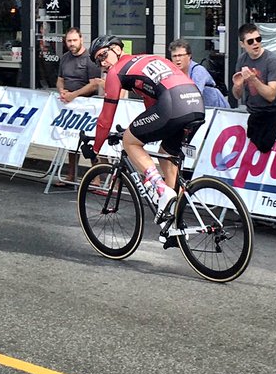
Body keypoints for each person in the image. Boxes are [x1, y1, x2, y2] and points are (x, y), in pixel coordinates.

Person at [84, 35, 205, 246]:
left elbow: (106, 117)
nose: (102, 63)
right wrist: (148, 131)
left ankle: (159, 189)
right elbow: (152, 105)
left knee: (130, 141)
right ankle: (174, 226)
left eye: (103, 55)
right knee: (167, 157)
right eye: (98, 61)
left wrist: (95, 148)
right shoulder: (147, 58)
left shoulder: (116, 71)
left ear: (117, 49)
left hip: (174, 103)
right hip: (195, 102)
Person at [55, 28, 103, 186]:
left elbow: (94, 85)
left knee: (90, 142)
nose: (72, 44)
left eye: (74, 40)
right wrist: (62, 91)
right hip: (69, 105)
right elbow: (60, 79)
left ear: (81, 39)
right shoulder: (65, 58)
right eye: (69, 41)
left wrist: (74, 94)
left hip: (88, 106)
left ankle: (96, 178)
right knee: (69, 141)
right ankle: (71, 176)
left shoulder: (90, 58)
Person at [231, 23, 276, 152]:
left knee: (266, 150)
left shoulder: (273, 60)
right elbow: (237, 95)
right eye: (250, 41)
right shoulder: (242, 59)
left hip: (273, 114)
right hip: (253, 114)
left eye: (258, 39)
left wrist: (253, 79)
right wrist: (237, 86)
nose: (255, 43)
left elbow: (271, 95)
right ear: (242, 44)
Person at [168, 38, 230, 110]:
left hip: (215, 109)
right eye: (174, 56)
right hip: (196, 109)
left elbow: (195, 95)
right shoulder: (172, 73)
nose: (177, 59)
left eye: (180, 55)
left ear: (189, 56)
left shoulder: (198, 71)